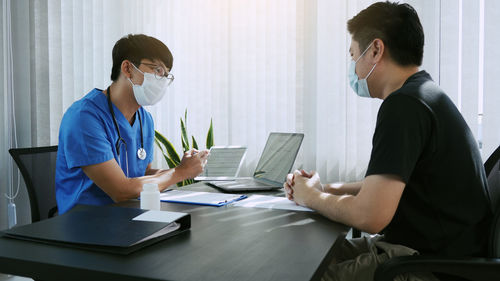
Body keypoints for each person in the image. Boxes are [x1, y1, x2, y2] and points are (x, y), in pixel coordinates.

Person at [284, 2, 492, 281]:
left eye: (353, 54)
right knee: (303, 255)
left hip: (428, 266)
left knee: (300, 274)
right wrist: (325, 189)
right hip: (421, 252)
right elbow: (382, 190)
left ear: (375, 50)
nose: (353, 67)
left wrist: (311, 197)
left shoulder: (404, 106)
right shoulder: (423, 95)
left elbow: (371, 216)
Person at [56, 34, 209, 214]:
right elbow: (121, 190)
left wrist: (186, 168)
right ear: (128, 68)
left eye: (166, 74)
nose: (163, 79)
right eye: (158, 70)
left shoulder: (145, 119)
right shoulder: (84, 117)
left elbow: (141, 176)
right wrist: (180, 172)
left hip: (129, 215)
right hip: (87, 224)